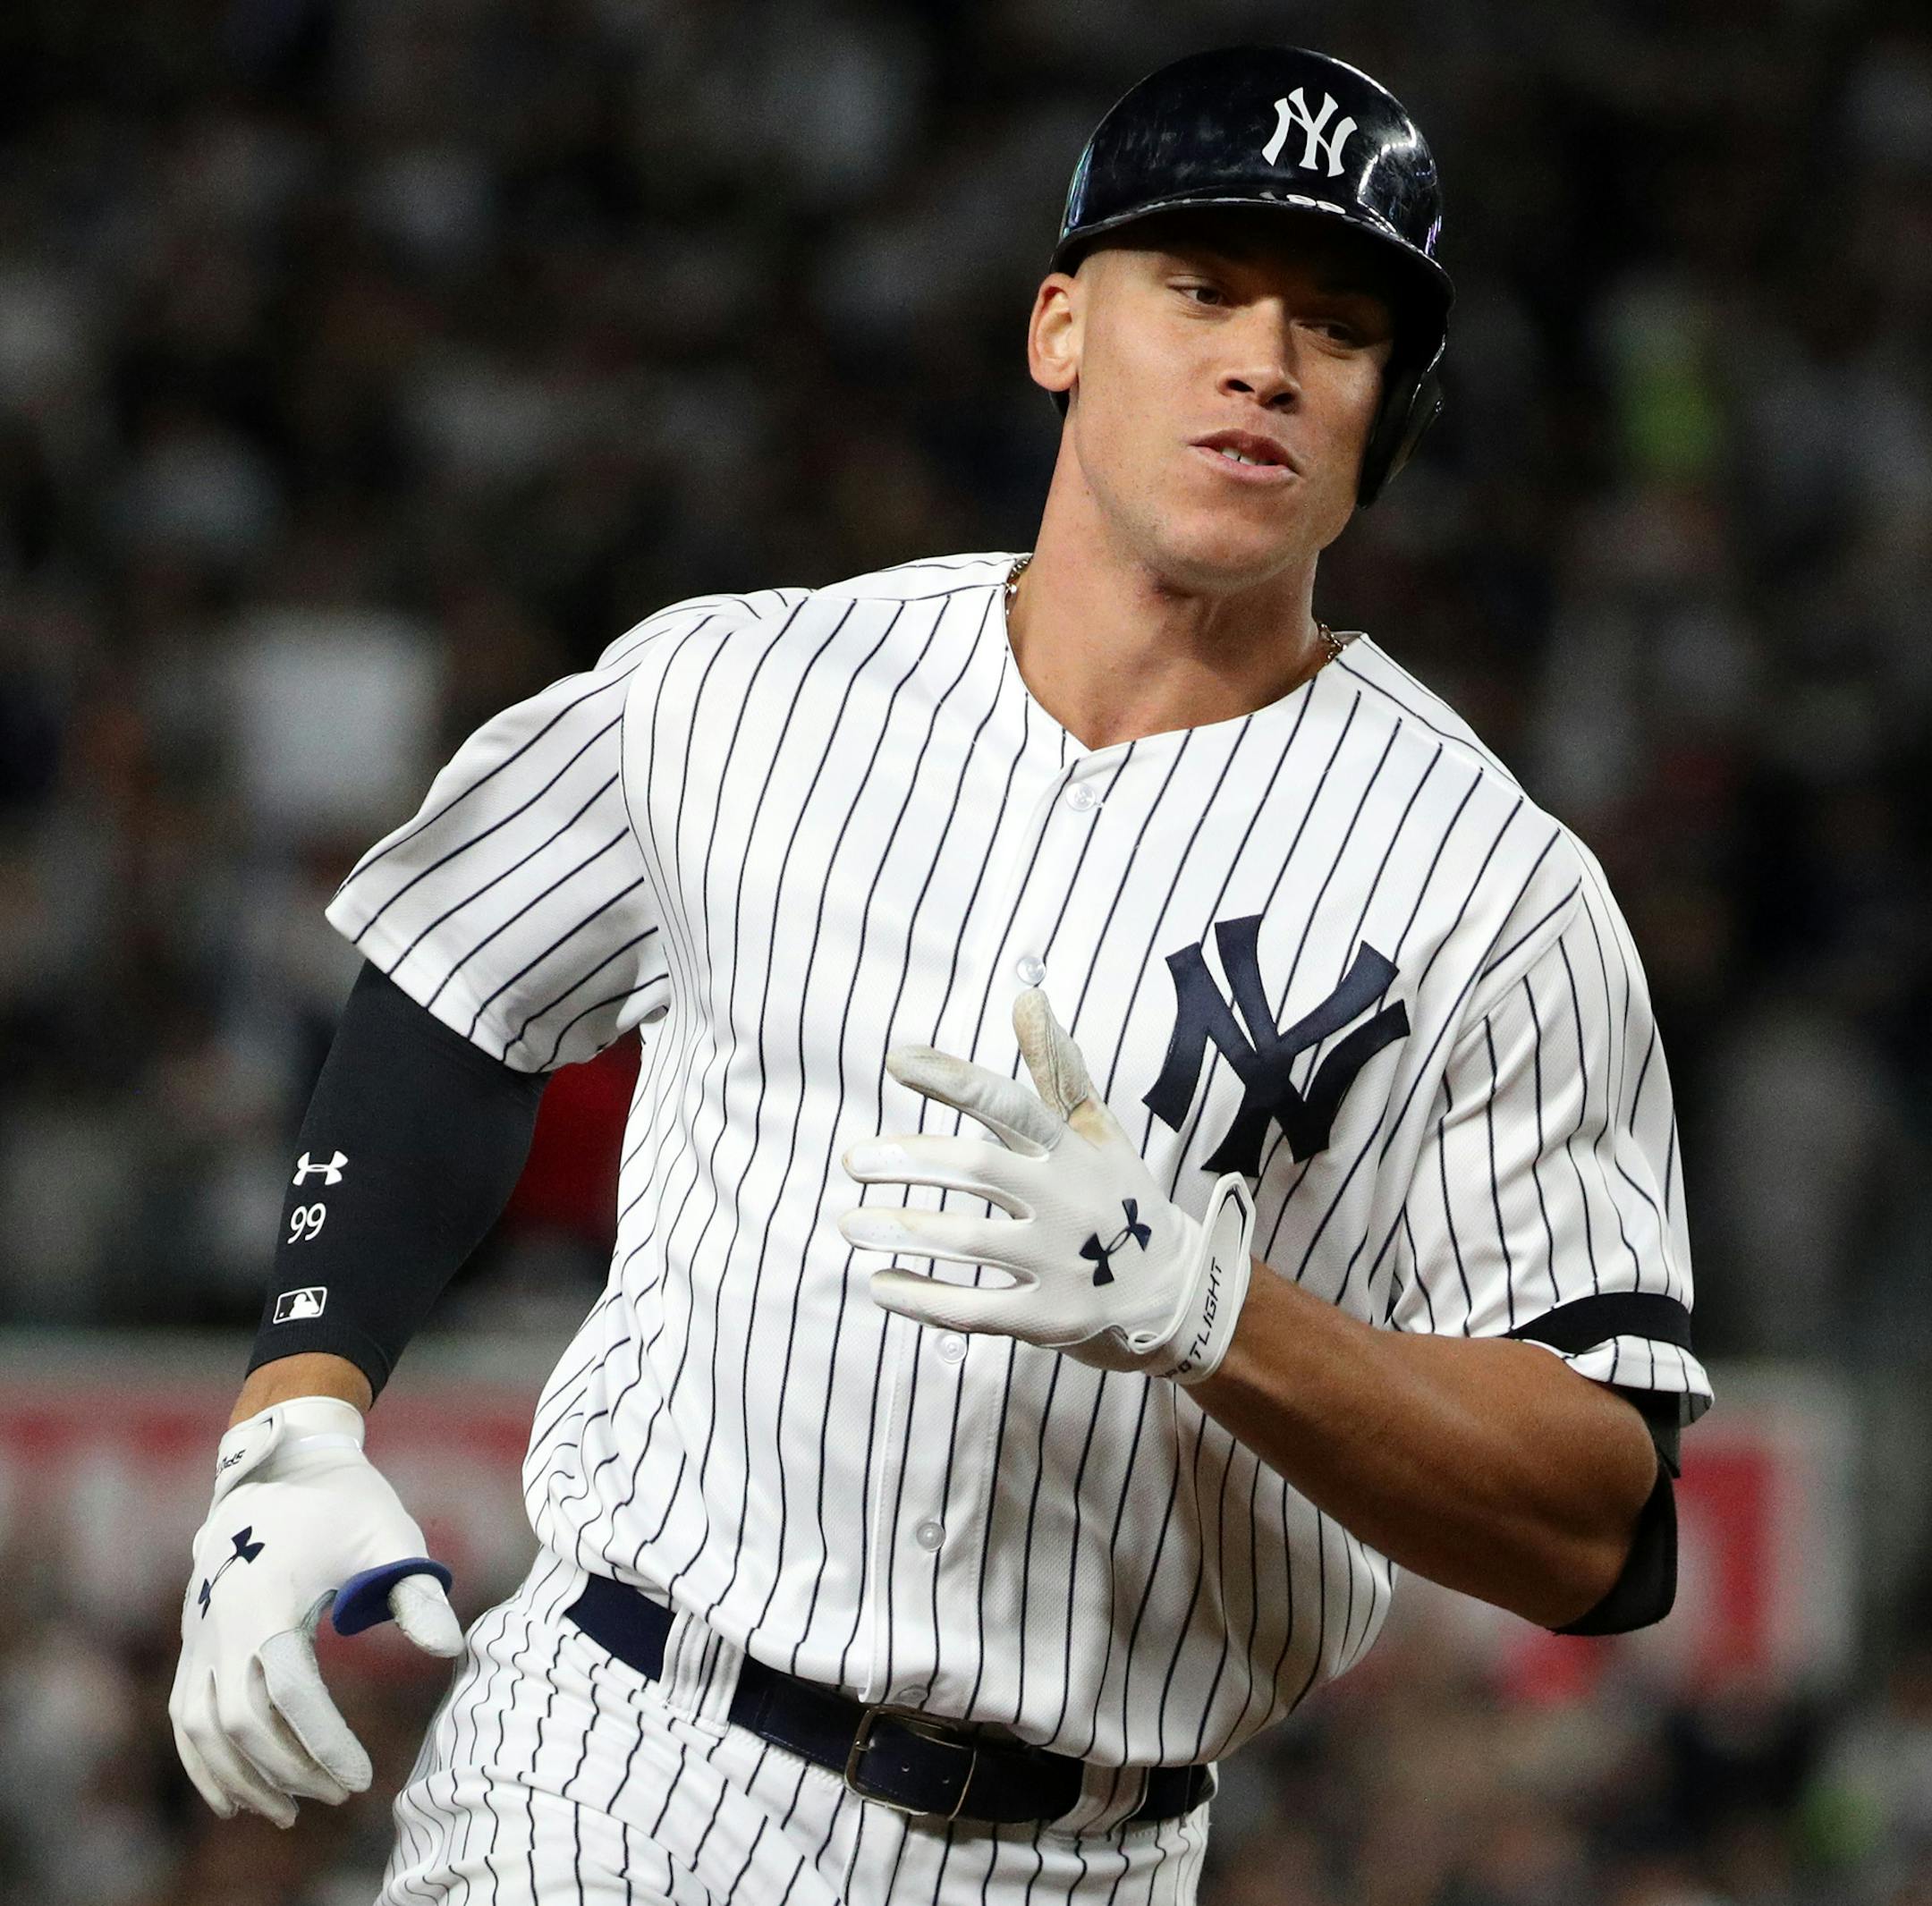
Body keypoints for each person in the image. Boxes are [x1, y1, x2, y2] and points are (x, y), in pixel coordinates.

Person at [169, 44, 1711, 1905]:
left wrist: (1215, 1310)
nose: (1265, 361)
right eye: (1202, 289)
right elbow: (454, 986)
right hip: (625, 1759)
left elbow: (1599, 1519)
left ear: (1389, 413)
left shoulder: (1495, 892)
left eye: (1338, 325)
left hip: (1091, 1848)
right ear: (1062, 326)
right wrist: (294, 1414)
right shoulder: (740, 689)